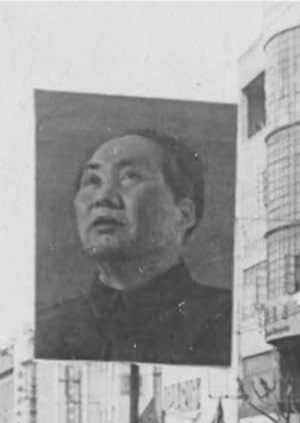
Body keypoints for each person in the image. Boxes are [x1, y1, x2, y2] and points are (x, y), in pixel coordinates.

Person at [35, 129, 232, 366]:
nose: (103, 198)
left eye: (129, 177)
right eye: (93, 181)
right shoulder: (46, 333)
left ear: (183, 215)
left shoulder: (229, 321)